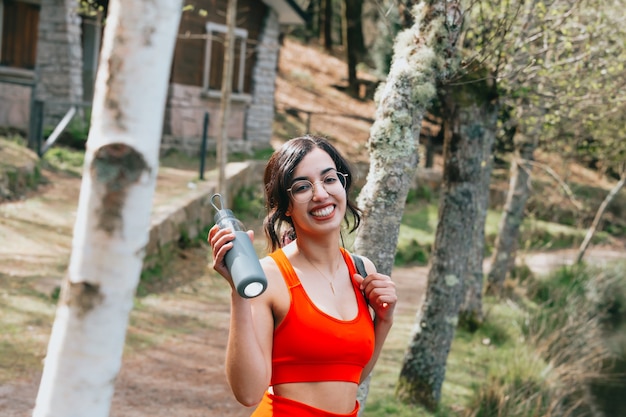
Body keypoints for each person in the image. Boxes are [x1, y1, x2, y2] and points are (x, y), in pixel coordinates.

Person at [208, 135, 397, 417]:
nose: (320, 194)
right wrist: (239, 293)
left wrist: (384, 320)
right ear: (286, 205)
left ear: (343, 185)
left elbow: (352, 375)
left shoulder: (362, 270)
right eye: (302, 187)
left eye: (330, 179)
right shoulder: (268, 277)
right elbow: (248, 393)